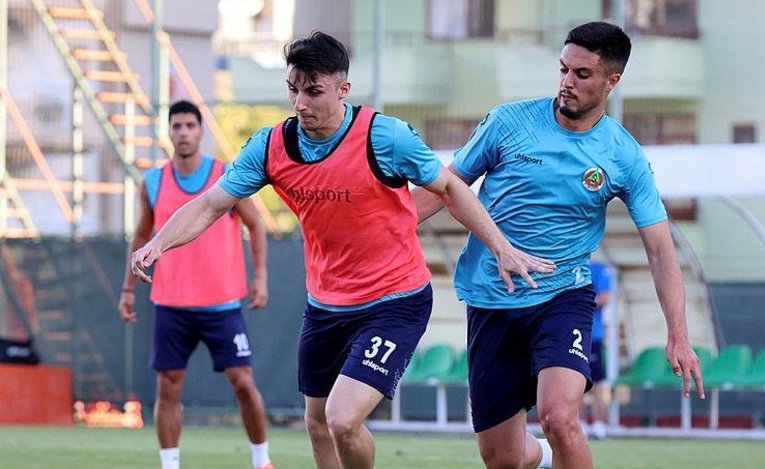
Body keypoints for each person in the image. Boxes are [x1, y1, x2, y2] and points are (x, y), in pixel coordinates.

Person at [129, 32, 554, 469]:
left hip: (395, 301)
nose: (300, 103)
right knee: (317, 423)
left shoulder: (385, 137)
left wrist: (500, 246)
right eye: (293, 89)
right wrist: (158, 243)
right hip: (326, 306)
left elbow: (449, 187)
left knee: (342, 418)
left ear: (342, 89)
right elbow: (209, 205)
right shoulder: (270, 147)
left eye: (313, 91)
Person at [414, 21, 705, 469]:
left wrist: (678, 335)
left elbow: (661, 250)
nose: (567, 82)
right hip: (492, 297)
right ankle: (545, 456)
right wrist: (383, 231)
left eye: (582, 74)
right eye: (564, 69)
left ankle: (557, 443)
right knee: (503, 459)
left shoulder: (622, 154)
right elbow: (446, 187)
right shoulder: (508, 122)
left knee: (559, 417)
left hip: (562, 295)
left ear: (611, 81)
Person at [118, 100, 273, 469]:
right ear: (169, 132)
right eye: (177, 126)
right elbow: (141, 235)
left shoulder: (225, 175)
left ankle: (261, 460)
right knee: (167, 386)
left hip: (222, 304)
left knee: (243, 382)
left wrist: (261, 276)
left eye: (190, 125)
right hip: (171, 304)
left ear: (201, 131)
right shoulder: (152, 182)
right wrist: (127, 289)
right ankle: (170, 464)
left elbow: (255, 225)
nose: (183, 132)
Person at [581, 260, 613, 440]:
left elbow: (605, 297)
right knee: (572, 383)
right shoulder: (565, 264)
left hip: (593, 336)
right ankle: (579, 424)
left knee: (597, 384)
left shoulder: (599, 269)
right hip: (572, 335)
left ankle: (599, 424)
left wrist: (578, 303)